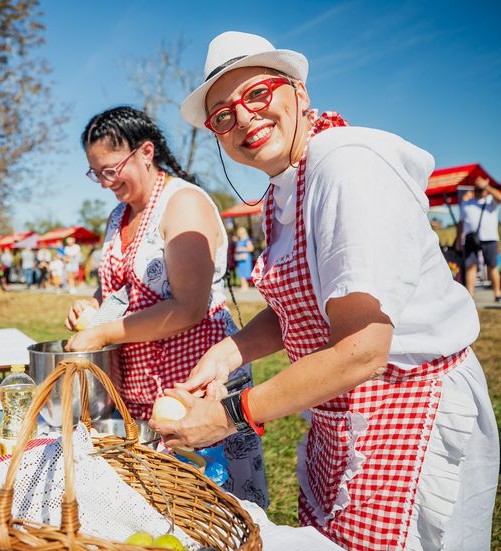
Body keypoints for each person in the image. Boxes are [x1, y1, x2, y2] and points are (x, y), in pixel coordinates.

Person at [149, 31, 498, 550]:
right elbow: (304, 304)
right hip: (345, 413)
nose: (243, 118)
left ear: (299, 92)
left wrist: (229, 415)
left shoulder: (345, 165)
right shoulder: (286, 187)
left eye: (257, 95)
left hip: (409, 405)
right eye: (222, 115)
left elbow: (363, 349)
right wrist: (229, 351)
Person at [65, 106, 268, 507]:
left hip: (196, 388)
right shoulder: (117, 216)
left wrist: (102, 332)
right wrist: (89, 306)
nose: (105, 182)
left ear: (145, 151)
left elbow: (189, 306)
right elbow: (118, 289)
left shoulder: (183, 204)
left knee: (212, 514)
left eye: (111, 169)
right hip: (141, 393)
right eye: (96, 173)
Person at [458, 175, 501, 301]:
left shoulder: (491, 201)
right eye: (477, 189)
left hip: (490, 238)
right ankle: (470, 295)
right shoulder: (466, 203)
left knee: (491, 266)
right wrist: (459, 239)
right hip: (471, 238)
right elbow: (461, 222)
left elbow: (499, 197)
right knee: (470, 266)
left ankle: (497, 293)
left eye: (481, 190)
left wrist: (486, 186)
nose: (479, 192)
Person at [233, 226, 254, 291]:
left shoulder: (246, 240)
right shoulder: (239, 240)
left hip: (245, 258)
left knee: (245, 271)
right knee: (240, 271)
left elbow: (251, 248)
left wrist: (241, 249)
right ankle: (244, 285)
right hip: (240, 258)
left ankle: (245, 286)